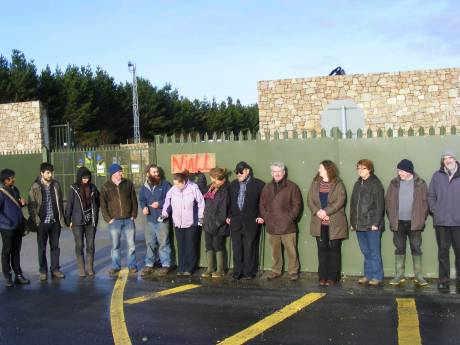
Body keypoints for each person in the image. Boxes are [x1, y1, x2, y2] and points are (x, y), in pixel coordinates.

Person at [386, 159, 428, 287]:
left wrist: (421, 218)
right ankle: (399, 275)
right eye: (399, 170)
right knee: (399, 248)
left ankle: (419, 276)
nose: (400, 173)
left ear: (409, 171)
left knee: (416, 247)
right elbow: (388, 201)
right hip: (398, 222)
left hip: (414, 222)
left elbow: (425, 203)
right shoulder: (393, 183)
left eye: (402, 171)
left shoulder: (420, 183)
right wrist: (392, 217)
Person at [307, 160, 348, 286]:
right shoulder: (315, 183)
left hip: (335, 223)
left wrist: (326, 212)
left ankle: (332, 277)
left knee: (334, 251)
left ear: (328, 170)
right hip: (319, 223)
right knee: (322, 250)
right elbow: (310, 199)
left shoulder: (338, 184)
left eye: (321, 168)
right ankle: (322, 277)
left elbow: (340, 201)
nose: (319, 170)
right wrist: (318, 212)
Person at [260, 162, 302, 281]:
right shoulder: (267, 187)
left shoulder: (292, 186)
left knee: (291, 251)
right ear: (271, 173)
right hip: (272, 225)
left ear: (284, 172)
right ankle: (276, 270)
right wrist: (266, 218)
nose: (277, 173)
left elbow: (297, 205)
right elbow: (262, 205)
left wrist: (290, 218)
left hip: (287, 226)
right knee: (275, 252)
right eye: (274, 171)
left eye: (279, 171)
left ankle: (293, 271)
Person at [161, 171, 205, 276]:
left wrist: (200, 218)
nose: (176, 186)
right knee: (181, 246)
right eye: (174, 183)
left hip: (191, 223)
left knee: (191, 245)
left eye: (177, 184)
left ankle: (190, 268)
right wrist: (164, 214)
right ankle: (181, 267)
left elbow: (201, 204)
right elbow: (167, 203)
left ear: (184, 182)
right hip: (178, 223)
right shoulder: (172, 190)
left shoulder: (193, 189)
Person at [428, 149, 460, 291]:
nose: (448, 160)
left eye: (450, 157)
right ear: (443, 161)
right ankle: (443, 281)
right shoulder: (437, 176)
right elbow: (431, 195)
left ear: (455, 159)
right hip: (441, 222)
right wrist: (435, 210)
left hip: (458, 222)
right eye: (445, 158)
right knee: (443, 253)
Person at [28, 162, 66, 281]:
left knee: (55, 247)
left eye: (51, 172)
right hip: (42, 223)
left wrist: (61, 220)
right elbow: (31, 206)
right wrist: (37, 220)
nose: (50, 175)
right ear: (42, 173)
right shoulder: (35, 186)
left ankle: (55, 269)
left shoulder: (56, 185)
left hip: (55, 222)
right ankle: (43, 270)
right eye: (48, 173)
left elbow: (60, 202)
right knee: (42, 248)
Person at [350, 159, 385, 286]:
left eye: (363, 168)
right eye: (358, 168)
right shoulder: (357, 184)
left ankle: (377, 276)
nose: (360, 170)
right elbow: (353, 205)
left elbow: (380, 206)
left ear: (369, 169)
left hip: (372, 225)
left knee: (374, 251)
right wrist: (353, 223)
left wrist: (376, 223)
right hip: (359, 225)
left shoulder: (376, 184)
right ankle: (368, 274)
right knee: (365, 251)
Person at [227, 161, 265, 280]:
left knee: (249, 246)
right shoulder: (232, 185)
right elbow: (229, 202)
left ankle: (249, 272)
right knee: (236, 246)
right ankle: (237, 272)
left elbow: (263, 203)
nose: (238, 174)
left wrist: (260, 215)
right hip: (236, 221)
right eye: (236, 172)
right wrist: (228, 216)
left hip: (251, 221)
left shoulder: (259, 185)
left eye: (241, 171)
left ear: (247, 171)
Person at [100, 164, 138, 275]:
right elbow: (103, 205)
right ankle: (116, 266)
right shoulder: (106, 187)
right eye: (118, 172)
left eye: (121, 172)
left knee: (131, 245)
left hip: (128, 220)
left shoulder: (128, 184)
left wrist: (133, 214)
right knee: (115, 245)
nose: (121, 174)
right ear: (113, 173)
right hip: (114, 221)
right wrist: (108, 219)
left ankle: (132, 265)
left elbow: (134, 199)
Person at [64, 166, 100, 277]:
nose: (86, 180)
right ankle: (81, 269)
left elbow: (98, 202)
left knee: (91, 245)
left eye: (88, 177)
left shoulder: (93, 188)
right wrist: (68, 220)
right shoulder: (73, 188)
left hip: (90, 221)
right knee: (79, 245)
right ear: (79, 177)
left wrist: (95, 215)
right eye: (84, 178)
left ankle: (90, 268)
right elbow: (69, 204)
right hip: (77, 222)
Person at [139, 164, 172, 277]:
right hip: (150, 220)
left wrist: (160, 204)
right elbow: (142, 199)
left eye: (157, 172)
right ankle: (149, 264)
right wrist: (144, 207)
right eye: (154, 172)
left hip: (162, 219)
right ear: (148, 173)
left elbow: (171, 198)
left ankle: (166, 265)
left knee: (164, 243)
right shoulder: (144, 187)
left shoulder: (165, 184)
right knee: (150, 243)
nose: (156, 174)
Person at [0, 169, 30, 287]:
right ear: (6, 180)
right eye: (12, 177)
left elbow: (17, 203)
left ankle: (18, 275)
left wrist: (22, 202)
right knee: (6, 252)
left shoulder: (14, 189)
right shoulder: (1, 192)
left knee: (16, 252)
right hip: (6, 227)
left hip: (17, 226)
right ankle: (8, 277)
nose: (14, 179)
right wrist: (5, 221)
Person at [201, 167, 230, 278]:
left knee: (218, 245)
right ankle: (210, 268)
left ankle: (220, 269)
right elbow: (205, 200)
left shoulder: (225, 190)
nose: (211, 179)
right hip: (208, 222)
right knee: (208, 245)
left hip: (219, 224)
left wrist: (217, 224)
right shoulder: (210, 187)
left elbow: (223, 211)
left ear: (218, 177)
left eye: (212, 177)